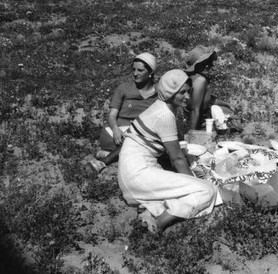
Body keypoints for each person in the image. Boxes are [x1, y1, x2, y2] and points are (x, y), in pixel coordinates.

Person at [118, 69, 218, 232]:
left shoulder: (161, 107)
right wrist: (193, 182)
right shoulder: (165, 115)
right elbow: (178, 159)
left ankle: (149, 208)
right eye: (182, 93)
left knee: (177, 185)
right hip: (137, 175)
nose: (187, 97)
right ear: (170, 92)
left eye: (189, 92)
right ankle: (161, 221)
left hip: (131, 171)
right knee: (207, 190)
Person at [89, 53, 158, 173]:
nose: (135, 73)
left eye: (140, 70)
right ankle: (108, 159)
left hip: (140, 133)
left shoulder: (158, 93)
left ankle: (109, 155)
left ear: (150, 72)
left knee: (140, 141)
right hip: (118, 132)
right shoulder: (124, 88)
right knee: (139, 147)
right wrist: (116, 129)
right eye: (134, 69)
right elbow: (111, 115)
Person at [184, 46, 237, 132]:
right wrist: (192, 134)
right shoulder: (200, 81)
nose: (209, 65)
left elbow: (206, 99)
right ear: (197, 65)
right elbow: (195, 110)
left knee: (227, 110)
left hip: (200, 116)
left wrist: (227, 104)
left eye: (209, 62)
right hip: (197, 119)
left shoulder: (197, 77)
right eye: (205, 63)